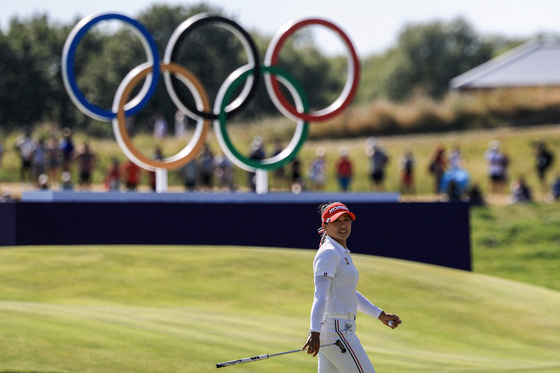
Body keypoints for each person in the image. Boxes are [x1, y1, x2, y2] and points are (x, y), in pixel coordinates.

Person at [303, 202, 402, 373]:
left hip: (336, 329)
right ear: (325, 225)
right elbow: (320, 295)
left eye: (346, 219)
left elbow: (347, 292)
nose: (343, 224)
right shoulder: (330, 252)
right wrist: (314, 331)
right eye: (336, 221)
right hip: (336, 331)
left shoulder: (341, 252)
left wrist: (380, 315)